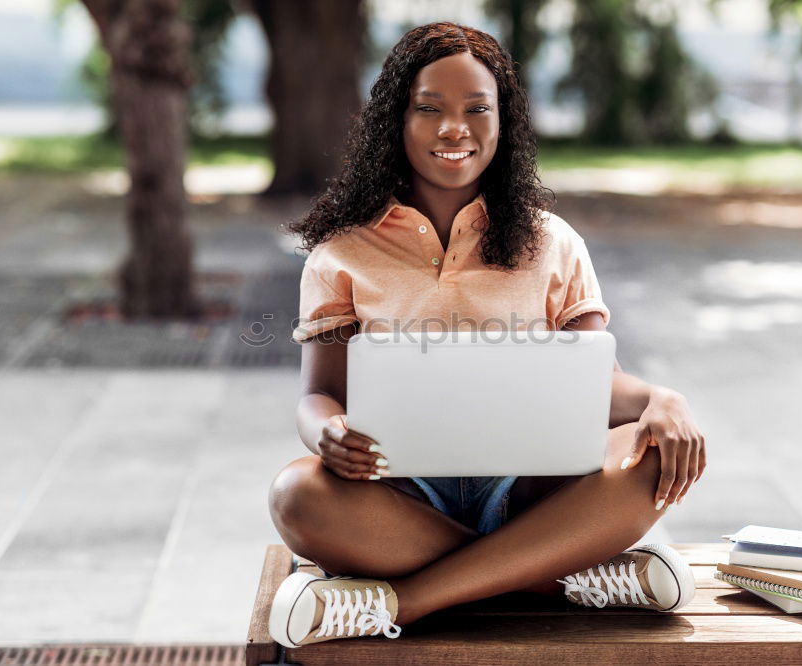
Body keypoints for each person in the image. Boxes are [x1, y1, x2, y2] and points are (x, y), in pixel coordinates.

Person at [266, 22, 706, 648]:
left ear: (504, 123)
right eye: (430, 109)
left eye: (478, 109)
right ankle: (562, 574)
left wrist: (663, 400)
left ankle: (406, 600)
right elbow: (319, 395)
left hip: (533, 487)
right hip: (397, 493)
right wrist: (327, 433)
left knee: (652, 451)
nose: (455, 128)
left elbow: (593, 384)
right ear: (397, 119)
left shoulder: (553, 241)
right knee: (297, 495)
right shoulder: (342, 253)